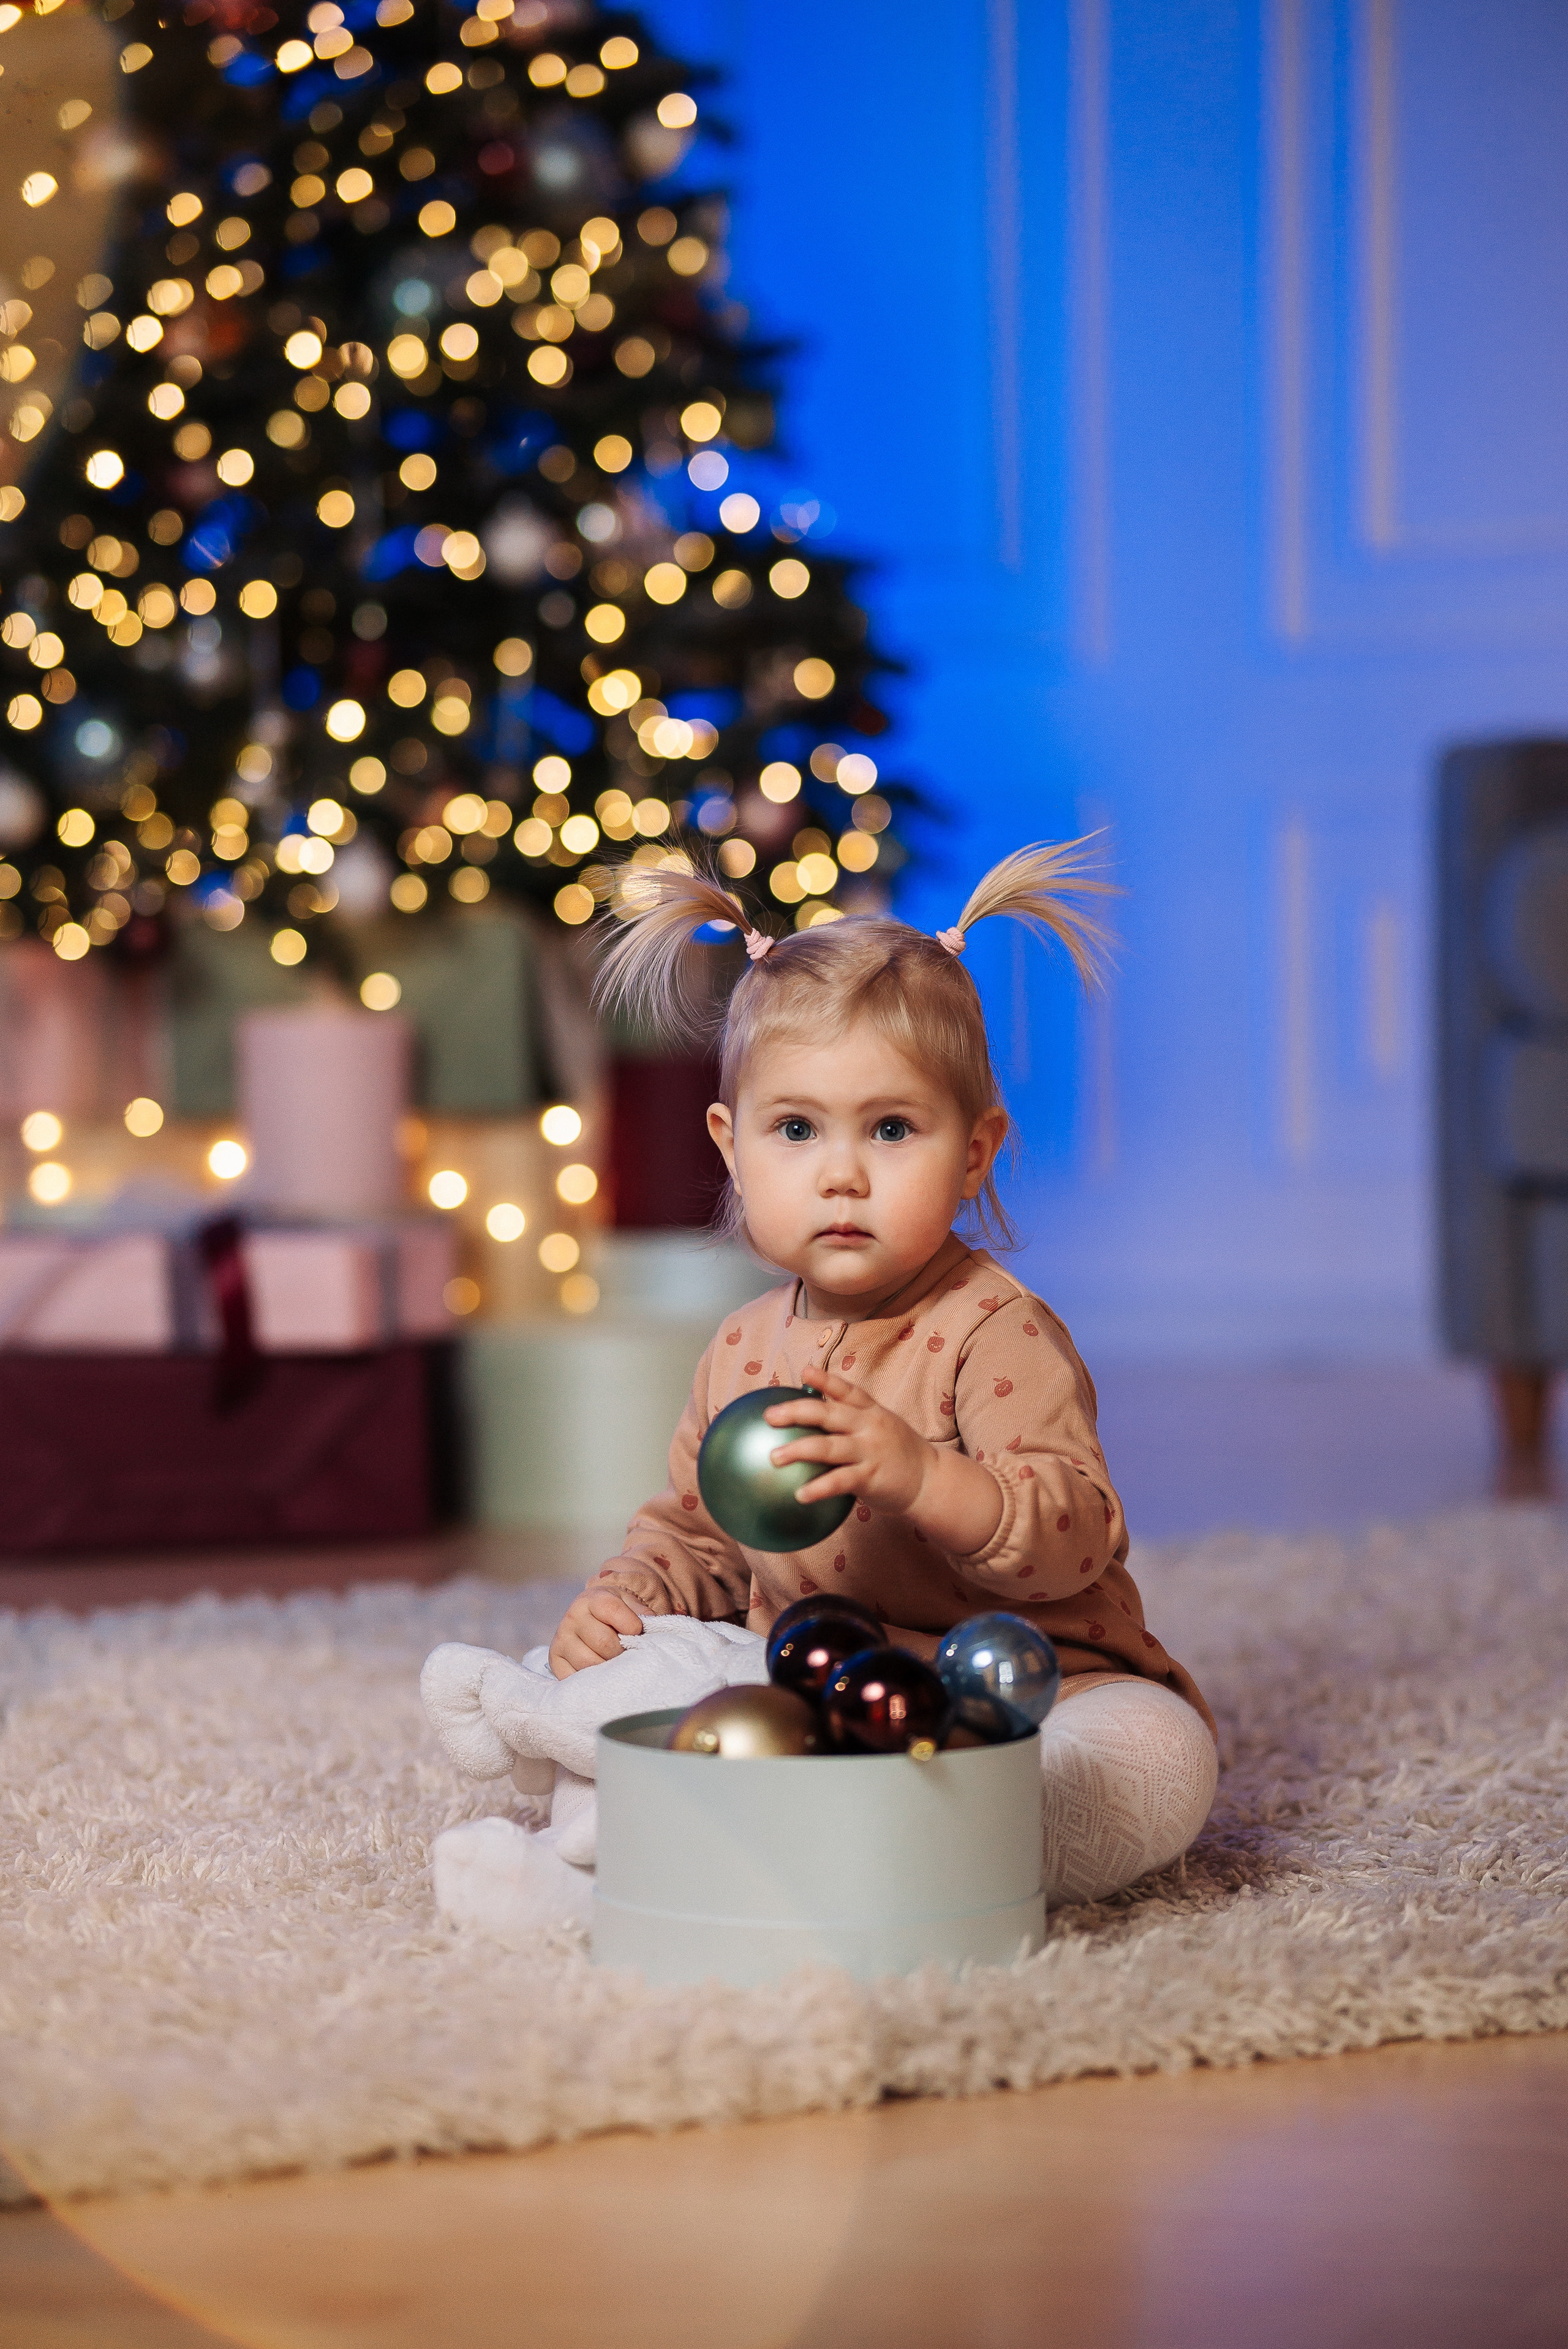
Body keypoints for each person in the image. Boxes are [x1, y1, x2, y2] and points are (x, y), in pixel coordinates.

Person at [423, 843, 1218, 1942]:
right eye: (795, 1130)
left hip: (1031, 1705)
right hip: (803, 1693)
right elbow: (697, 1533)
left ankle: (761, 1861)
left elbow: (1074, 1538)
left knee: (1156, 1765)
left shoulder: (998, 1332)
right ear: (734, 1149)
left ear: (976, 1150)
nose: (841, 1173)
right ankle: (582, 1874)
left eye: (892, 1129)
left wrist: (922, 1476)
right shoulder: (742, 1348)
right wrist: (628, 1600)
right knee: (658, 1686)